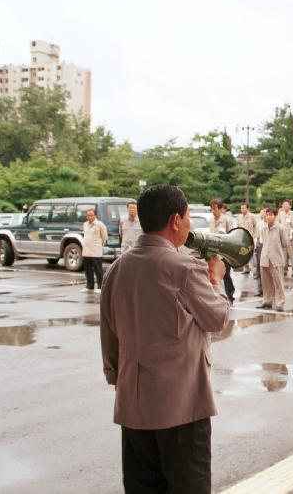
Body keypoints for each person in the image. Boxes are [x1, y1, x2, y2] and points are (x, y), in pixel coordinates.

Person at [100, 184, 229, 494]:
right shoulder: (184, 268)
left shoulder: (117, 269)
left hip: (133, 406)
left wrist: (117, 376)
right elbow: (217, 319)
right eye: (187, 218)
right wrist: (216, 280)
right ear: (175, 221)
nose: (189, 225)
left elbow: (108, 333)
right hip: (182, 408)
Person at [258, 207, 289, 312]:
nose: (268, 217)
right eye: (266, 215)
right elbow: (263, 243)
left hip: (276, 258)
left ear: (275, 216)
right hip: (265, 257)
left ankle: (280, 303)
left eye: (270, 215)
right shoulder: (263, 228)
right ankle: (267, 301)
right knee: (266, 281)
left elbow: (285, 243)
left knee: (278, 282)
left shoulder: (281, 228)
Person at [208, 199, 235, 304]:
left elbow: (232, 236)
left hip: (225, 252)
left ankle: (230, 296)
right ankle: (217, 296)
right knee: (214, 274)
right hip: (214, 251)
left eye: (214, 208)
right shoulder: (210, 220)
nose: (212, 210)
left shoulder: (227, 220)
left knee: (226, 275)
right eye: (211, 208)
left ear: (220, 208)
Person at [83, 208, 108, 293]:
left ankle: (100, 287)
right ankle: (89, 286)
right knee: (87, 269)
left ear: (95, 215)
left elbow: (104, 237)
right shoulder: (85, 224)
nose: (89, 217)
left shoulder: (100, 225)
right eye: (88, 215)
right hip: (86, 251)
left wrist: (99, 245)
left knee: (98, 269)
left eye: (91, 215)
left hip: (96, 251)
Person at [277, 200, 293, 277]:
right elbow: (278, 224)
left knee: (292, 254)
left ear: (290, 206)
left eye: (287, 204)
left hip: (291, 237)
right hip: (283, 237)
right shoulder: (280, 214)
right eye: (284, 204)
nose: (285, 206)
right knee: (283, 254)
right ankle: (284, 269)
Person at [237, 203, 258, 275]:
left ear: (247, 209)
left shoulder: (252, 216)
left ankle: (255, 271)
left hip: (250, 238)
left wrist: (254, 236)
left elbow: (255, 226)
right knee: (243, 253)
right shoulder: (239, 217)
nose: (242, 210)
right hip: (242, 238)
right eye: (241, 208)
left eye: (244, 208)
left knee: (251, 255)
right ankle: (246, 268)